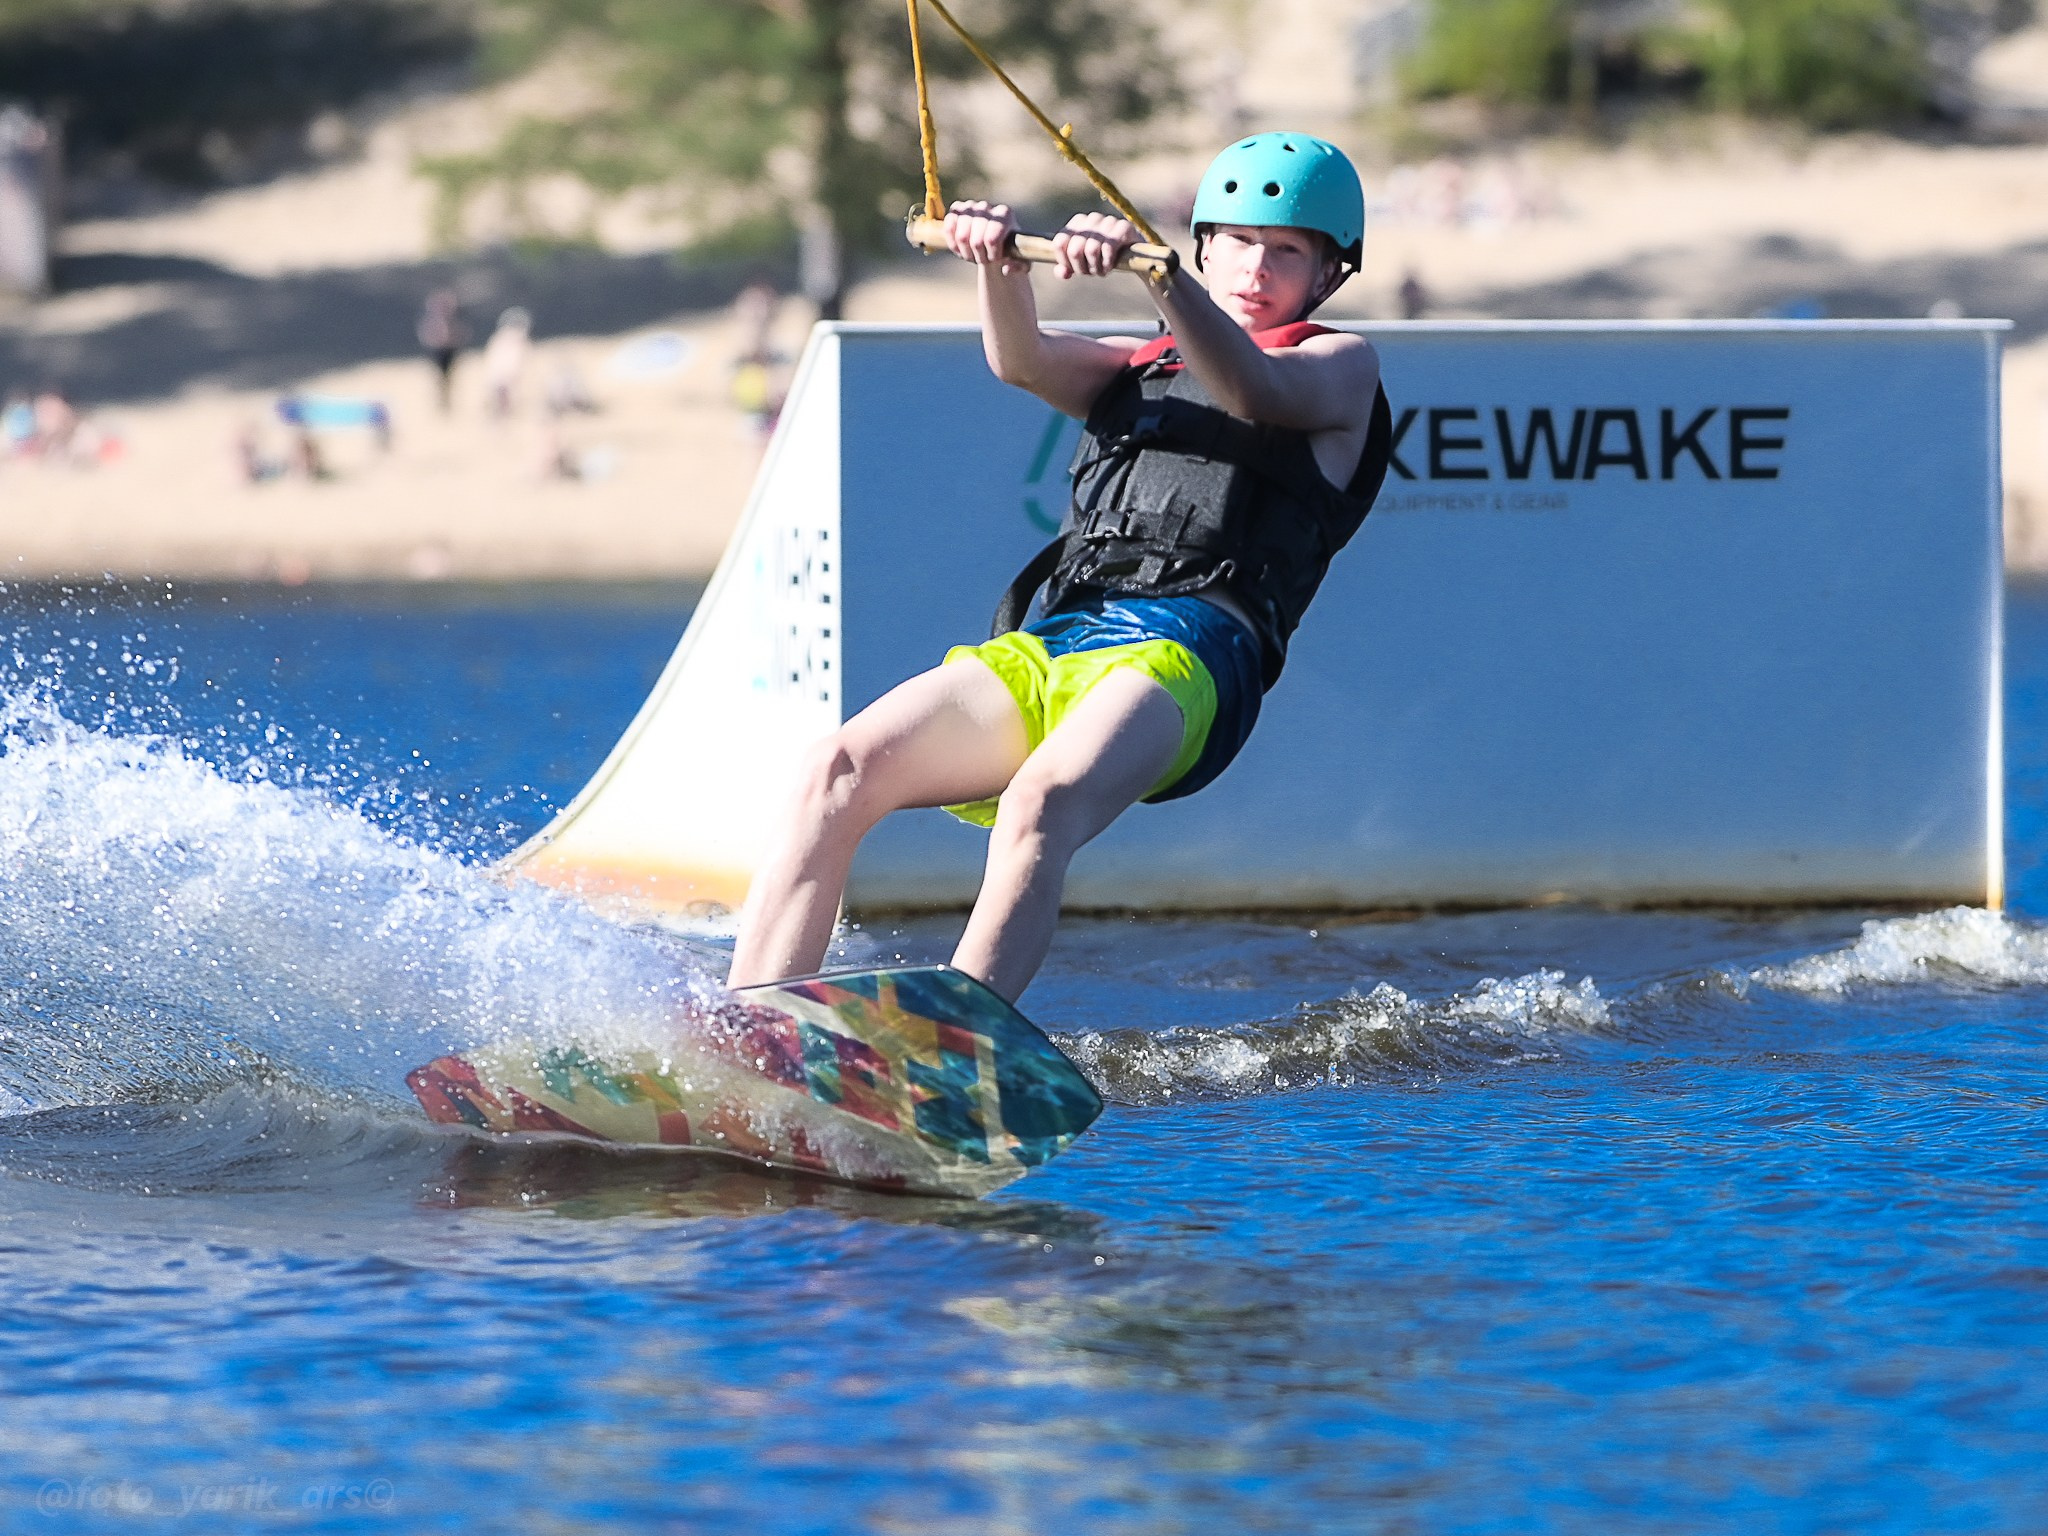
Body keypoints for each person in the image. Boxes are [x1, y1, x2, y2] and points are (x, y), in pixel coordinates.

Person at [728, 132, 1393, 1003]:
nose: (1254, 267)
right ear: (1203, 244)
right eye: (1234, 240)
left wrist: (1159, 279)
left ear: (1327, 274)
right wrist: (997, 264)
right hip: (1063, 638)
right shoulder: (1132, 362)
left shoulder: (1339, 368)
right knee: (835, 771)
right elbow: (1022, 359)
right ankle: (749, 1029)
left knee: (1040, 801)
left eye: (1286, 251)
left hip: (1191, 652)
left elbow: (1253, 393)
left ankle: (957, 1046)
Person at [417, 287, 468, 414]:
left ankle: (446, 401)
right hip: (439, 350)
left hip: (450, 350)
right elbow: (426, 334)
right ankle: (441, 401)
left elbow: (460, 334)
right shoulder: (435, 320)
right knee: (439, 378)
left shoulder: (452, 321)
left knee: (449, 377)